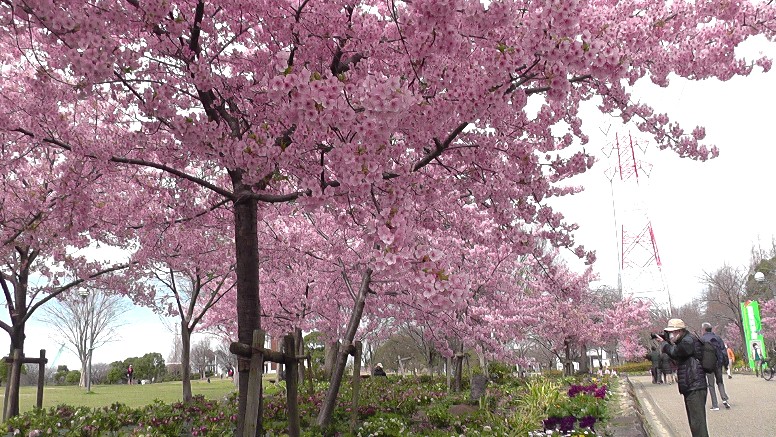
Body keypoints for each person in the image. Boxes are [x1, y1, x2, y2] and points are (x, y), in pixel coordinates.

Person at [654, 318, 709, 437]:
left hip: (695, 385)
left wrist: (664, 344)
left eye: (672, 332)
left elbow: (675, 352)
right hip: (692, 385)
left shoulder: (688, 341)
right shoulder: (686, 340)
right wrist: (667, 342)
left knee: (698, 423)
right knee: (695, 423)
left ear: (679, 331)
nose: (671, 335)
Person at [700, 322, 731, 410]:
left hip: (708, 365)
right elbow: (723, 351)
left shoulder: (702, 339)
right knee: (720, 382)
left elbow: (699, 353)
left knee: (711, 384)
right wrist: (726, 364)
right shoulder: (718, 338)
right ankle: (724, 399)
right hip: (718, 363)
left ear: (704, 329)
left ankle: (715, 405)